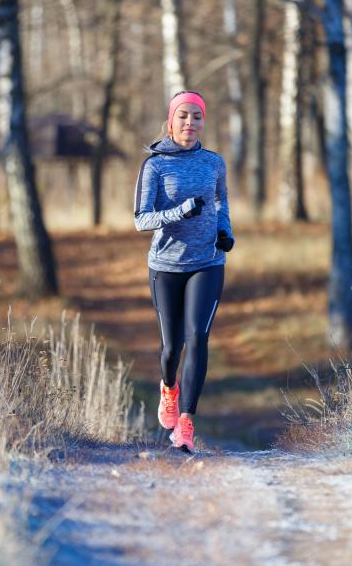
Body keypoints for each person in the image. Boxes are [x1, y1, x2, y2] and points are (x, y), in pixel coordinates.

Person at [133, 90, 235, 453]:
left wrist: (226, 232)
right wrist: (180, 212)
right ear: (171, 121)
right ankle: (168, 389)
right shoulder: (155, 165)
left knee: (198, 338)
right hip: (166, 266)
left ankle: (187, 424)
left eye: (197, 117)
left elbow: (222, 202)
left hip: (207, 262)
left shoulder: (213, 162)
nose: (190, 123)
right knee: (172, 347)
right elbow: (141, 219)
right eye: (183, 116)